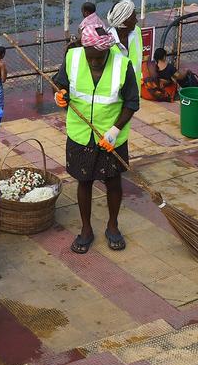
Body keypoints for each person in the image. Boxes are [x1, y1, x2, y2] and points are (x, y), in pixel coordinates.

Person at [52, 21, 139, 254]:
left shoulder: (122, 65)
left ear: (108, 50)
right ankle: (86, 229)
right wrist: (60, 95)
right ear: (84, 48)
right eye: (91, 58)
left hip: (111, 137)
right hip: (81, 134)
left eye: (100, 58)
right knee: (84, 181)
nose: (95, 62)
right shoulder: (73, 57)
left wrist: (114, 131)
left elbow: (132, 103)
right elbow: (59, 83)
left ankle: (112, 226)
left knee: (113, 181)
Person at [107, 0, 144, 84]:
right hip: (117, 95)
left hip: (135, 91)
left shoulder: (137, 31)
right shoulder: (107, 42)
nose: (136, 21)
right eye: (133, 18)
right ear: (124, 22)